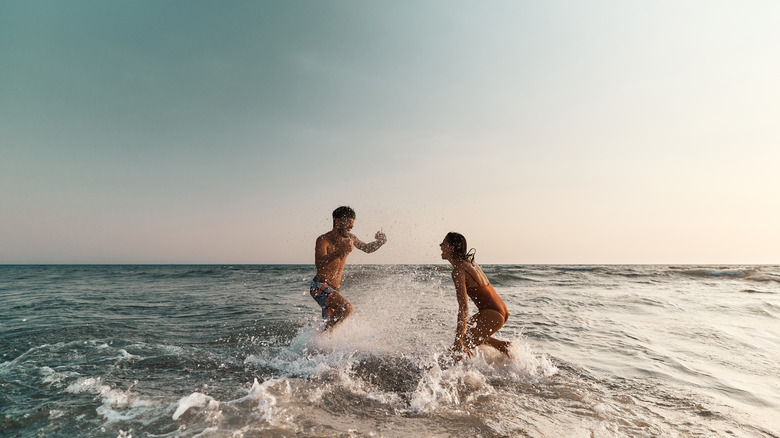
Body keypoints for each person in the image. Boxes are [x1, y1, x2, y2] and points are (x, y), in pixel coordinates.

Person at [311, 206, 387, 331]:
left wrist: (380, 242)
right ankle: (322, 338)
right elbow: (320, 263)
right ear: (338, 221)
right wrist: (341, 251)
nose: (350, 228)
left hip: (335, 289)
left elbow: (367, 248)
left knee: (332, 322)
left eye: (352, 225)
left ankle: (319, 345)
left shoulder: (350, 238)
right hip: (319, 286)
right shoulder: (323, 239)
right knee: (347, 308)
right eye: (348, 225)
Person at [440, 232, 511, 359]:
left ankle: (463, 378)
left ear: (451, 248)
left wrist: (458, 341)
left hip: (492, 314)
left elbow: (463, 308)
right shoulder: (470, 263)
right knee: (464, 334)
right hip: (500, 310)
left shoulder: (459, 271)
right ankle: (503, 346)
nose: (440, 245)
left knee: (458, 348)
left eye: (443, 243)